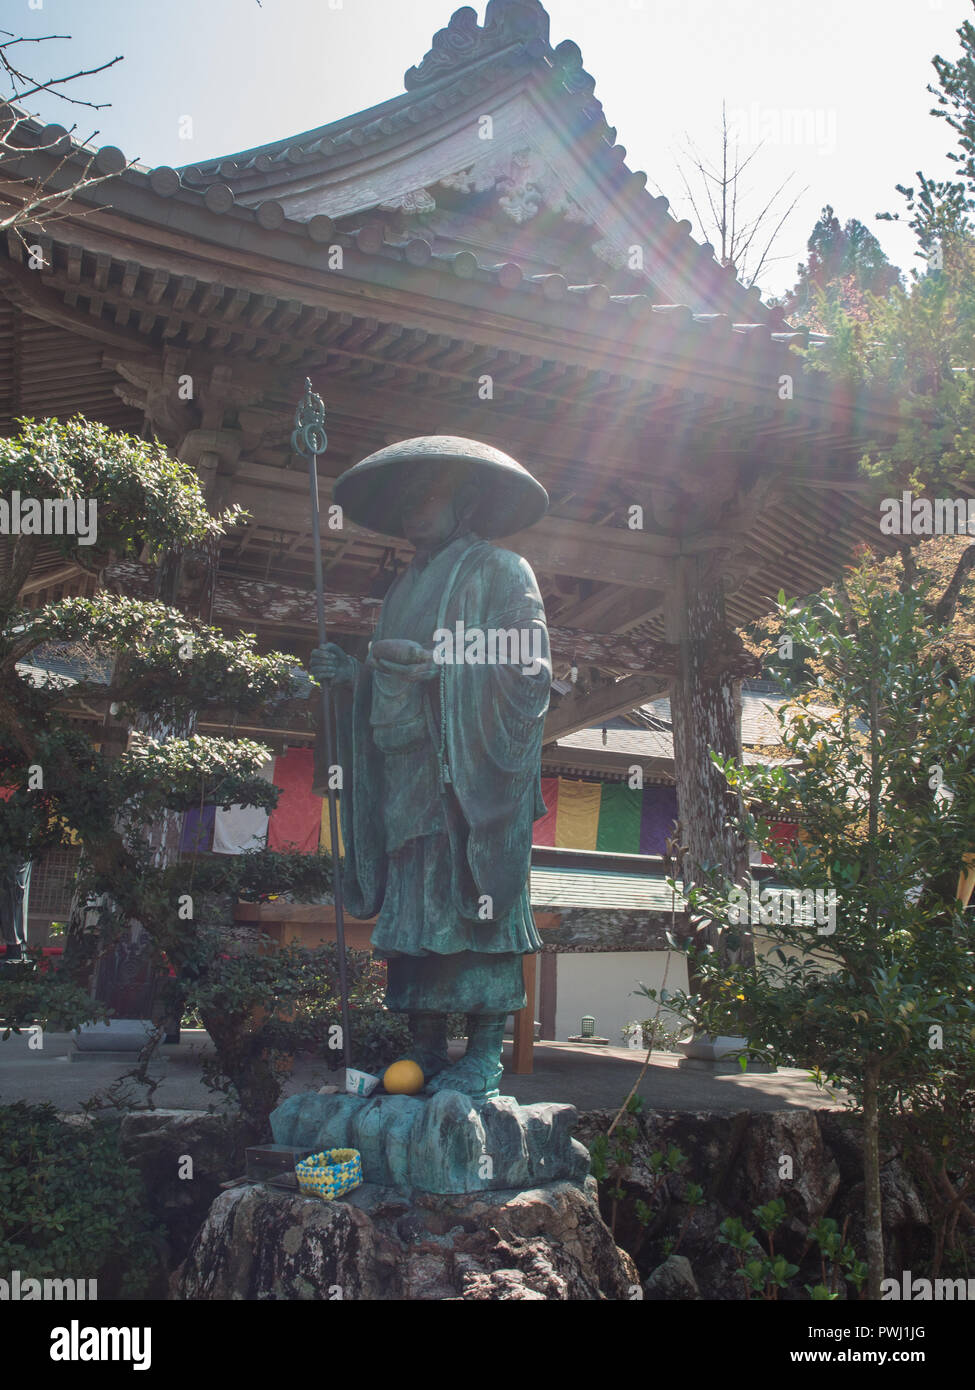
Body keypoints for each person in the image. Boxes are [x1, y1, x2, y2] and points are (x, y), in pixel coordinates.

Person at [309, 437, 550, 1102]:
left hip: (470, 775)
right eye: (406, 502)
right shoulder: (398, 592)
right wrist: (350, 680)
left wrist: (442, 676)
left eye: (429, 497)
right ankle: (422, 1048)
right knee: (417, 907)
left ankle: (482, 1054)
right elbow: (381, 682)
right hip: (408, 769)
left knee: (472, 905)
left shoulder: (503, 570)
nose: (415, 511)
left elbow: (530, 673)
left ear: (466, 502)